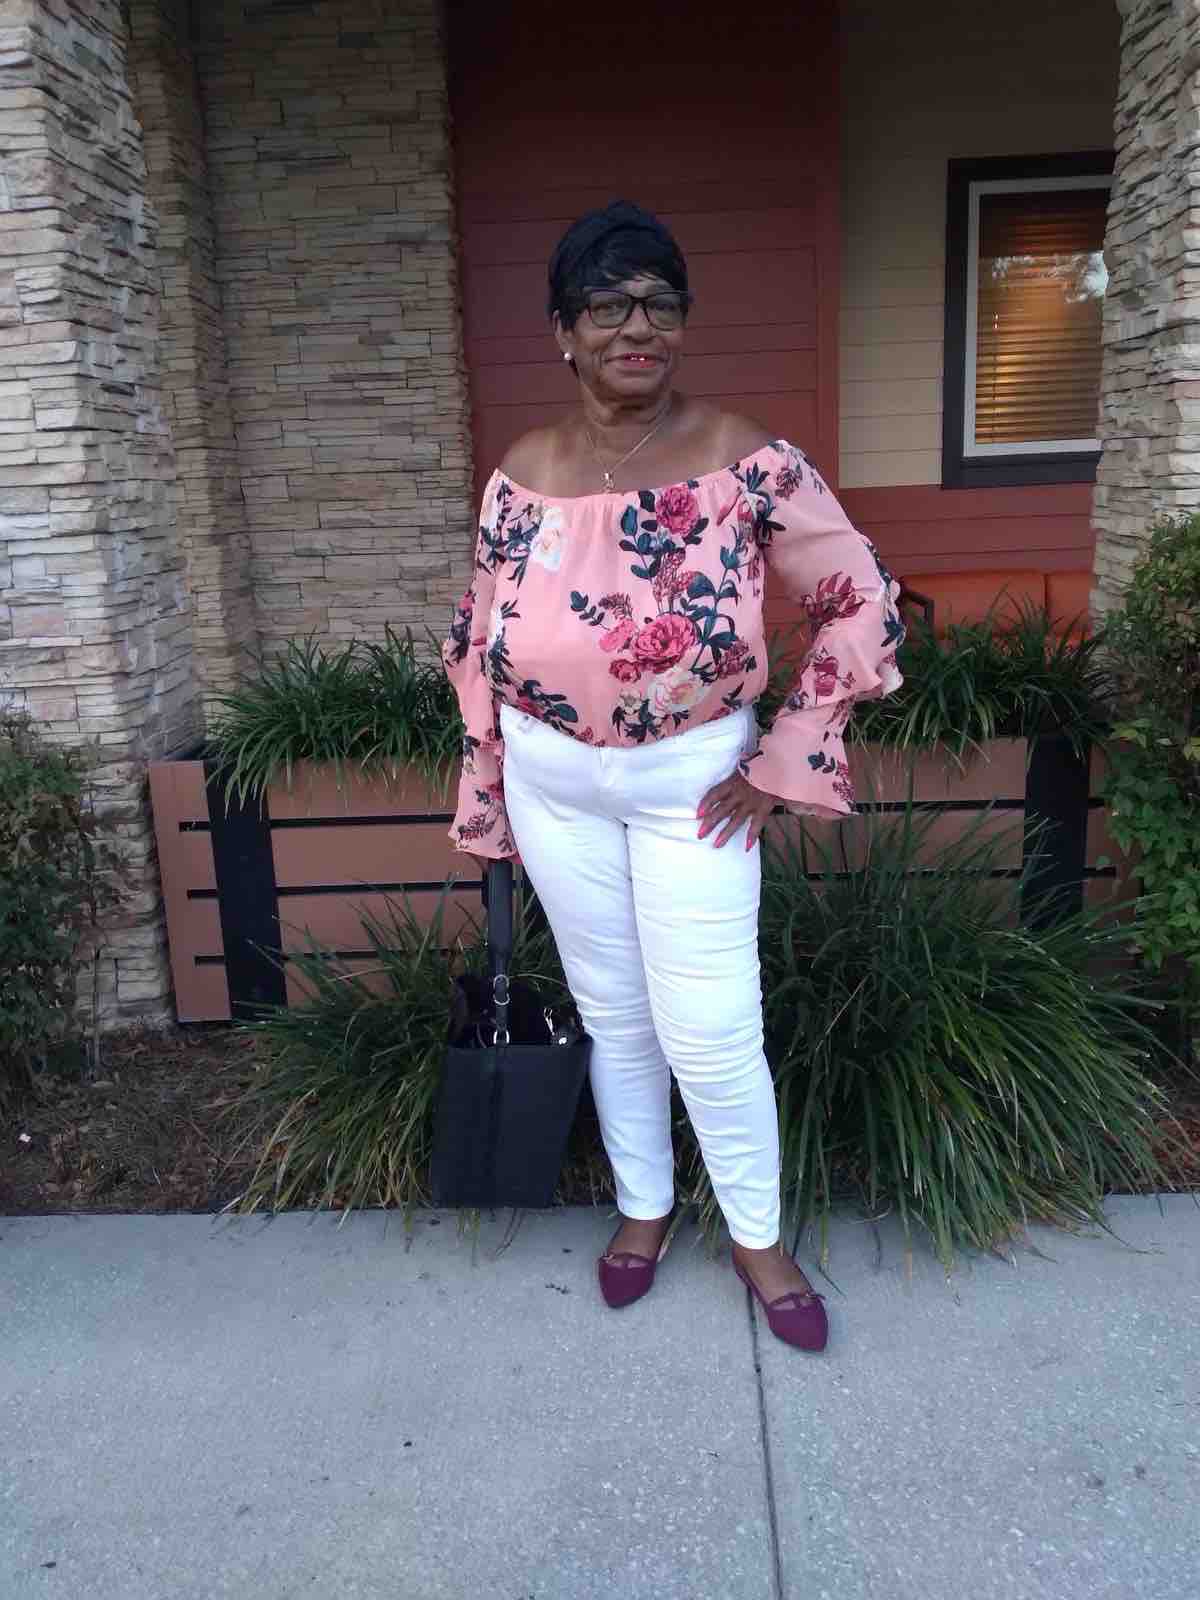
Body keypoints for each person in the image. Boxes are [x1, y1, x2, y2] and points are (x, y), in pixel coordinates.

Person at [441, 201, 905, 1352]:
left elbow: (860, 598)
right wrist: (492, 779)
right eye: (607, 305)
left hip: (692, 784)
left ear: (684, 323)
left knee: (710, 1024)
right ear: (563, 330)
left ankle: (757, 1234)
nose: (635, 327)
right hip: (554, 786)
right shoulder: (520, 471)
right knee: (616, 1014)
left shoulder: (748, 459)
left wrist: (786, 758)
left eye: (658, 303)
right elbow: (477, 634)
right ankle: (644, 1206)